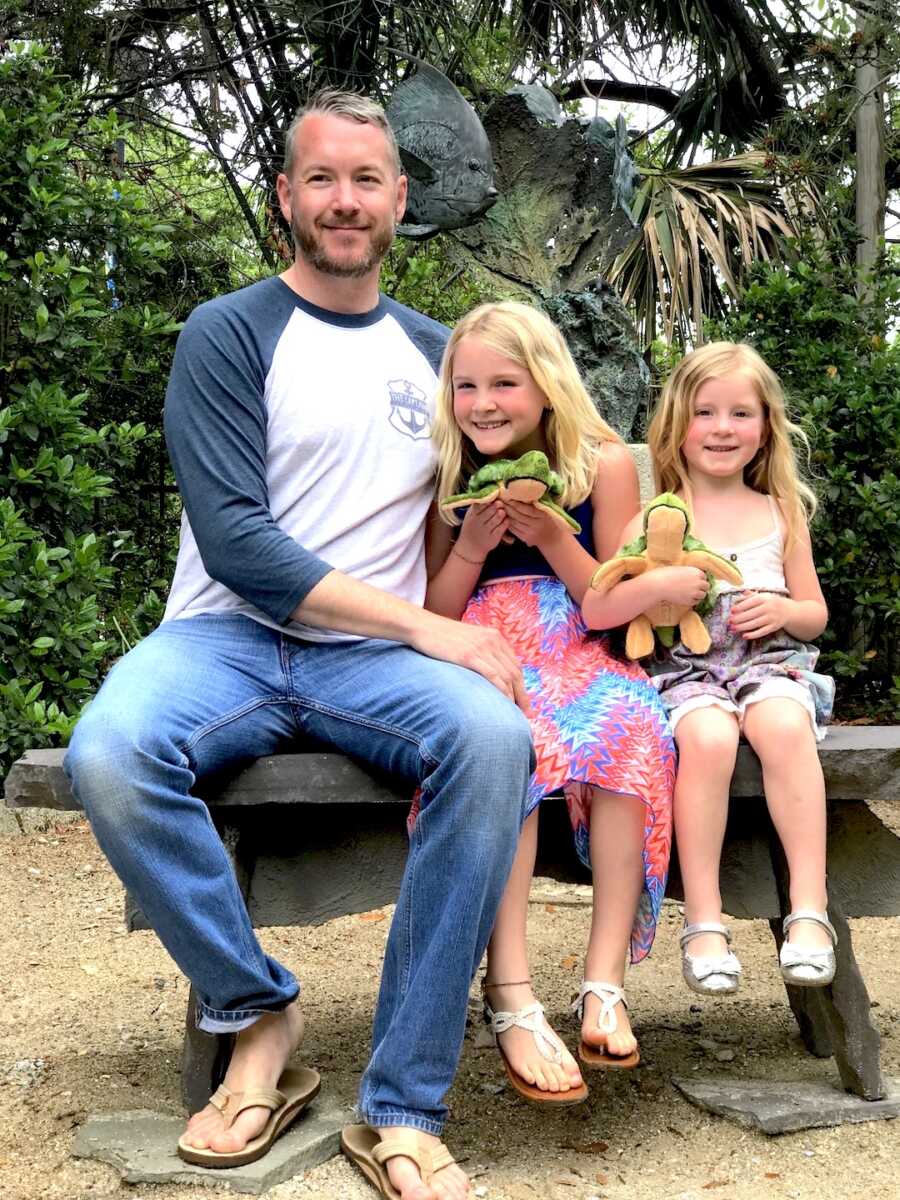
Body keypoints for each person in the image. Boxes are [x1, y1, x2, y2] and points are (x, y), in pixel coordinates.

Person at [64, 90, 535, 1200]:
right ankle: (257, 1013)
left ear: (400, 200)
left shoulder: (440, 356)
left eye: (367, 181)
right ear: (286, 195)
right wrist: (432, 628)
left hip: (370, 667)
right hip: (225, 641)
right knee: (109, 753)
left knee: (495, 739)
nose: (344, 201)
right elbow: (239, 546)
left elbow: (537, 462)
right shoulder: (228, 332)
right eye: (321, 178)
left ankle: (405, 1107)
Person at [424, 301, 675, 1103]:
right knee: (507, 744)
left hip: (581, 641)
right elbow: (432, 613)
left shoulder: (600, 463)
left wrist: (549, 535)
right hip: (483, 646)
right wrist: (470, 543)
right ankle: (512, 990)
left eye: (505, 382)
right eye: (466, 386)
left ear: (547, 385)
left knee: (632, 724)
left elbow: (617, 600)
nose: (484, 403)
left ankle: (604, 982)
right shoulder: (450, 476)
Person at [583, 342, 835, 997]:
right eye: (704, 412)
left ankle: (808, 911)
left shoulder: (780, 514)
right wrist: (661, 589)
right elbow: (616, 601)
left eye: (740, 414)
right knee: (707, 739)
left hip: (767, 666)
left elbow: (815, 614)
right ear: (676, 427)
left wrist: (782, 609)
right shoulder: (653, 516)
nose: (722, 428)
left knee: (783, 727)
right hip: (686, 673)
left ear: (765, 429)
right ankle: (703, 920)